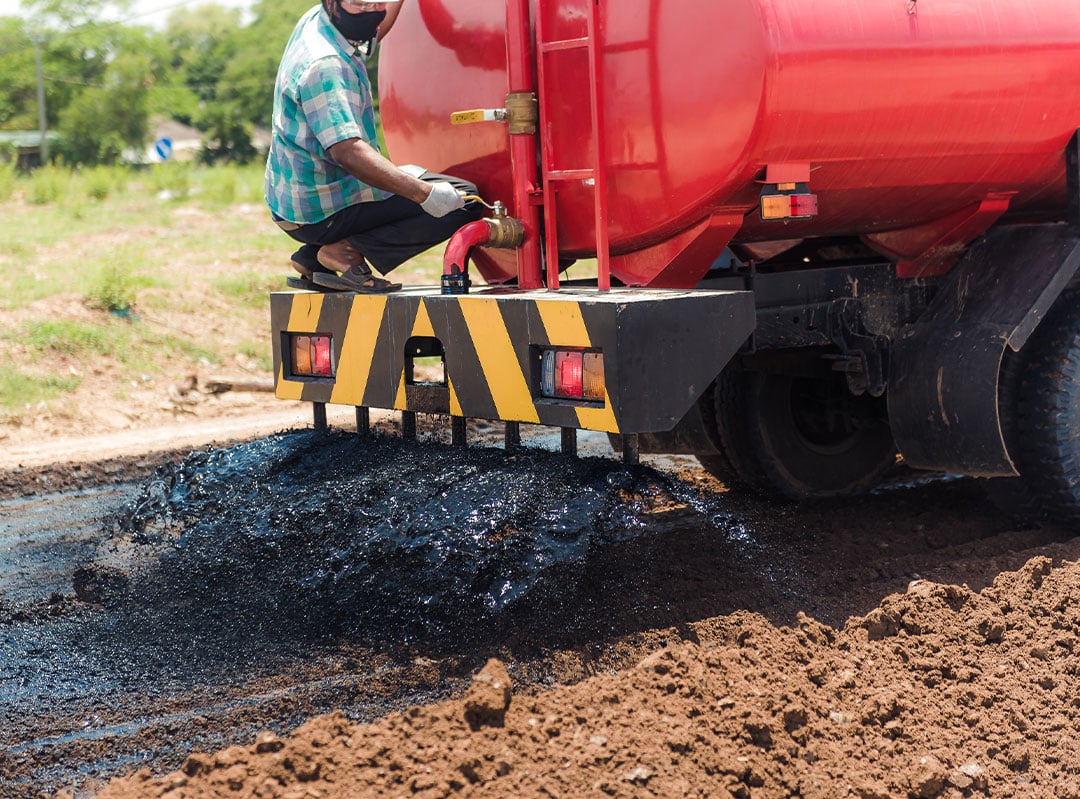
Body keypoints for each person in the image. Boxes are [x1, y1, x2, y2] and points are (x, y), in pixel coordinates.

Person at [265, 0, 482, 292]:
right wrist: (425, 194)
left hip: (296, 200)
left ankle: (312, 257)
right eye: (360, 3)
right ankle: (341, 250)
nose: (371, 10)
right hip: (321, 209)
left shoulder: (324, 22)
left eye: (377, 1)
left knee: (428, 191)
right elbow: (349, 152)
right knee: (462, 202)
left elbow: (374, 27)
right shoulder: (325, 64)